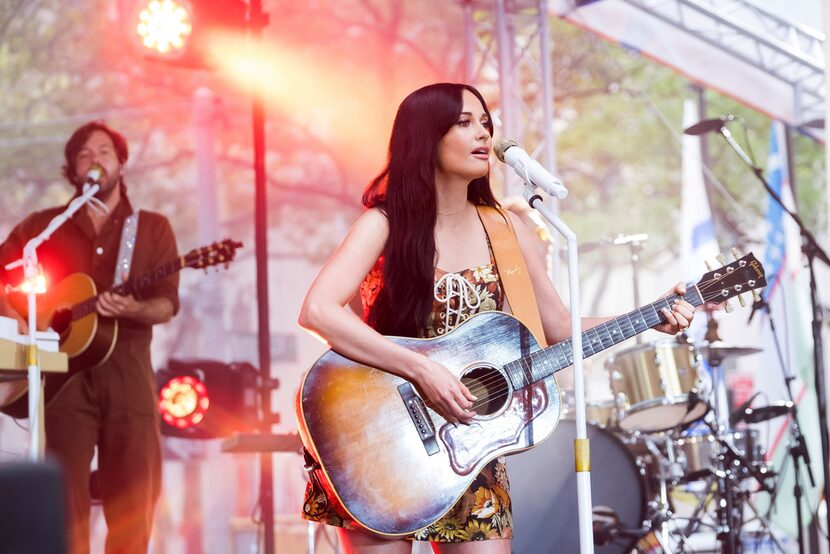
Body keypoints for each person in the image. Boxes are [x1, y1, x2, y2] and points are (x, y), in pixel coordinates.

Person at [297, 83, 695, 554]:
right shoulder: (383, 225)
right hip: (380, 437)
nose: (483, 133)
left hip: (469, 444)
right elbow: (318, 310)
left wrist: (649, 316)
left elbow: (557, 329)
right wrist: (422, 369)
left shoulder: (505, 229)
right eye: (465, 122)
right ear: (425, 137)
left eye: (486, 122)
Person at [0, 121, 179, 554]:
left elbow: (166, 304)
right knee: (63, 501)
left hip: (129, 376)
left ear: (121, 163)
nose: (94, 159)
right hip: (62, 382)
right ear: (73, 171)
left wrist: (135, 309)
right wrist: (19, 325)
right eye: (83, 154)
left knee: (135, 494)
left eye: (104, 151)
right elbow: (2, 280)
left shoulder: (151, 228)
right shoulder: (42, 228)